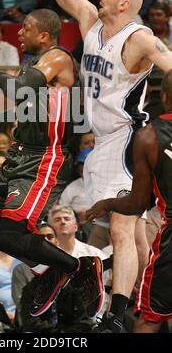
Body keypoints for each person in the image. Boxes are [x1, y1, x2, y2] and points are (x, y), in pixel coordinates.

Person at [0, 0, 172, 332]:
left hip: (129, 137)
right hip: (101, 139)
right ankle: (154, 304)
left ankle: (117, 313)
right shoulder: (92, 21)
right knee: (138, 231)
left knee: (121, 229)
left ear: (124, 4)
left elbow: (169, 63)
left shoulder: (140, 38)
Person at [0, 6, 103, 318]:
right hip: (19, 155)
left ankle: (77, 267)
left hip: (45, 157)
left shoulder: (58, 58)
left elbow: (17, 88)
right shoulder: (32, 71)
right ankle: (55, 270)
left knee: (10, 235)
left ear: (44, 35)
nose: (18, 32)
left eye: (26, 27)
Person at [86, 69, 172, 333]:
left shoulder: (148, 136)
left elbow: (136, 203)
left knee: (151, 316)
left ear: (164, 97)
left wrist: (107, 204)